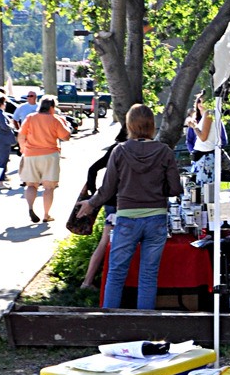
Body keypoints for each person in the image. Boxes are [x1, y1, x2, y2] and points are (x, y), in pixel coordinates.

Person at [77, 103, 182, 309]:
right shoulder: (165, 151)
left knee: (116, 273)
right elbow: (175, 189)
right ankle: (145, 325)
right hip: (156, 218)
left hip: (127, 217)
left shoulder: (119, 151)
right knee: (148, 276)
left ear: (129, 126)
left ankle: (111, 324)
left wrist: (90, 203)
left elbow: (107, 190)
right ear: (152, 125)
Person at [79, 126, 128, 289]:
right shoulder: (124, 149)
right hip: (119, 203)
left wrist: (95, 195)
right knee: (110, 241)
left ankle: (88, 281)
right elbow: (92, 169)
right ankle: (92, 282)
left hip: (112, 201)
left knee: (106, 240)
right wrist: (94, 195)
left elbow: (93, 169)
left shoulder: (116, 148)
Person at [17, 95, 72, 223]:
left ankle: (30, 208)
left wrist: (23, 148)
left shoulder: (30, 118)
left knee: (31, 185)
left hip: (31, 154)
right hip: (50, 155)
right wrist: (66, 125)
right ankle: (46, 215)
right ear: (52, 107)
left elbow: (21, 135)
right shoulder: (55, 120)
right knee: (49, 187)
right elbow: (66, 137)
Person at [0, 95, 17, 187]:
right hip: (1, 141)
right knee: (2, 161)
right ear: (1, 104)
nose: (5, 104)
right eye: (4, 103)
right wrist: (11, 125)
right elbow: (4, 126)